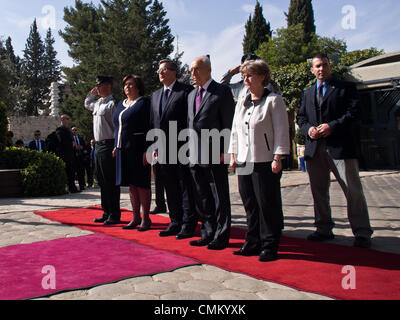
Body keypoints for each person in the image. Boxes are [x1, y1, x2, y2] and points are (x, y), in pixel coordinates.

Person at [297, 53, 373, 248]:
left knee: (352, 191)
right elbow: (301, 118)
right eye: (317, 66)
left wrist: (332, 126)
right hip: (315, 150)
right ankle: (323, 228)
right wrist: (308, 130)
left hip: (340, 148)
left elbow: (354, 113)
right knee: (318, 192)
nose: (321, 69)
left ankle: (362, 232)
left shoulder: (345, 88)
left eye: (324, 65)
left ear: (329, 66)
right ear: (312, 70)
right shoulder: (307, 93)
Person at [229, 59, 290, 262]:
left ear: (263, 76)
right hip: (244, 161)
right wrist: (233, 155)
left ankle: (270, 244)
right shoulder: (242, 102)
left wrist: (278, 157)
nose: (245, 79)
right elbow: (235, 131)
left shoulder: (273, 100)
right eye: (243, 76)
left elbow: (282, 131)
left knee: (267, 204)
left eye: (250, 75)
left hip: (265, 160)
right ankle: (252, 241)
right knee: (249, 203)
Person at [187, 56, 235, 250]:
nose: (193, 73)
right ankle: (207, 232)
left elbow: (228, 123)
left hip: (215, 153)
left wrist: (226, 150)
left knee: (219, 197)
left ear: (208, 69)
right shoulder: (191, 95)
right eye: (191, 70)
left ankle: (221, 235)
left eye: (197, 69)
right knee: (202, 196)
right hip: (193, 154)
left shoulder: (222, 91)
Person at [150, 59, 197, 239]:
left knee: (185, 187)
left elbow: (190, 120)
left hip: (182, 147)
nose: (161, 73)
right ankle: (175, 221)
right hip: (161, 149)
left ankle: (188, 223)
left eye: (165, 69)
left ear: (174, 72)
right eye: (159, 70)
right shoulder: (155, 96)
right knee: (170, 188)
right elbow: (153, 123)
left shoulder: (186, 91)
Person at [115, 75, 152, 232]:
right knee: (131, 184)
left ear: (138, 87)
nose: (127, 87)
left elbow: (150, 126)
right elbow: (118, 127)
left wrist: (148, 149)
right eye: (125, 85)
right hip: (123, 149)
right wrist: (116, 146)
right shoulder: (120, 105)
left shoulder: (144, 103)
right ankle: (135, 216)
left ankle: (146, 217)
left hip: (139, 149)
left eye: (131, 85)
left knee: (142, 184)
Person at [85, 76, 121, 225]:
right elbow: (87, 104)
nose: (98, 88)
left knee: (111, 182)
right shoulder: (98, 103)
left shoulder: (112, 104)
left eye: (100, 86)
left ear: (108, 86)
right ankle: (106, 211)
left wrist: (116, 146)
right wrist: (91, 94)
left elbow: (118, 127)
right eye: (97, 86)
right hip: (98, 146)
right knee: (102, 181)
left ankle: (114, 213)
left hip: (109, 144)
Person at [55, 115, 79, 193]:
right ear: (62, 120)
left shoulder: (68, 129)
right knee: (66, 172)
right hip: (64, 154)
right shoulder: (60, 129)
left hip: (70, 154)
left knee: (71, 172)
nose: (69, 120)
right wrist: (71, 143)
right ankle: (66, 188)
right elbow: (61, 141)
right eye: (67, 119)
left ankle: (72, 188)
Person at [71, 127, 86, 191]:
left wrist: (79, 147)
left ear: (77, 131)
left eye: (75, 130)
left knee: (81, 173)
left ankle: (82, 186)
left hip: (80, 158)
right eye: (73, 130)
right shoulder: (70, 139)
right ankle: (73, 187)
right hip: (73, 158)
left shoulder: (80, 138)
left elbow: (83, 146)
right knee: (72, 173)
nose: (74, 131)